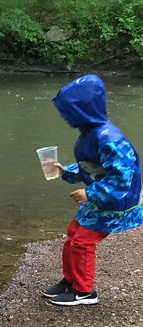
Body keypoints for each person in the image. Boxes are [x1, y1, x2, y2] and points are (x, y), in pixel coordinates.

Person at [41, 74, 143, 306]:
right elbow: (89, 167)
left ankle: (85, 291)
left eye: (69, 111)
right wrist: (63, 171)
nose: (65, 117)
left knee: (83, 240)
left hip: (117, 201)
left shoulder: (109, 138)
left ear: (83, 109)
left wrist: (90, 193)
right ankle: (71, 280)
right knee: (74, 233)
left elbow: (122, 176)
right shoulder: (90, 133)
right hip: (102, 196)